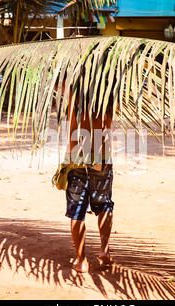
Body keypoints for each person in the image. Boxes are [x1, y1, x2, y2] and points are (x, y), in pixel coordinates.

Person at [61, 85, 115, 273]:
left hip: (77, 158)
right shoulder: (108, 93)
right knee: (104, 205)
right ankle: (105, 250)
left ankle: (81, 260)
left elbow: (61, 83)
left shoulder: (73, 93)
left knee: (77, 211)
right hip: (102, 158)